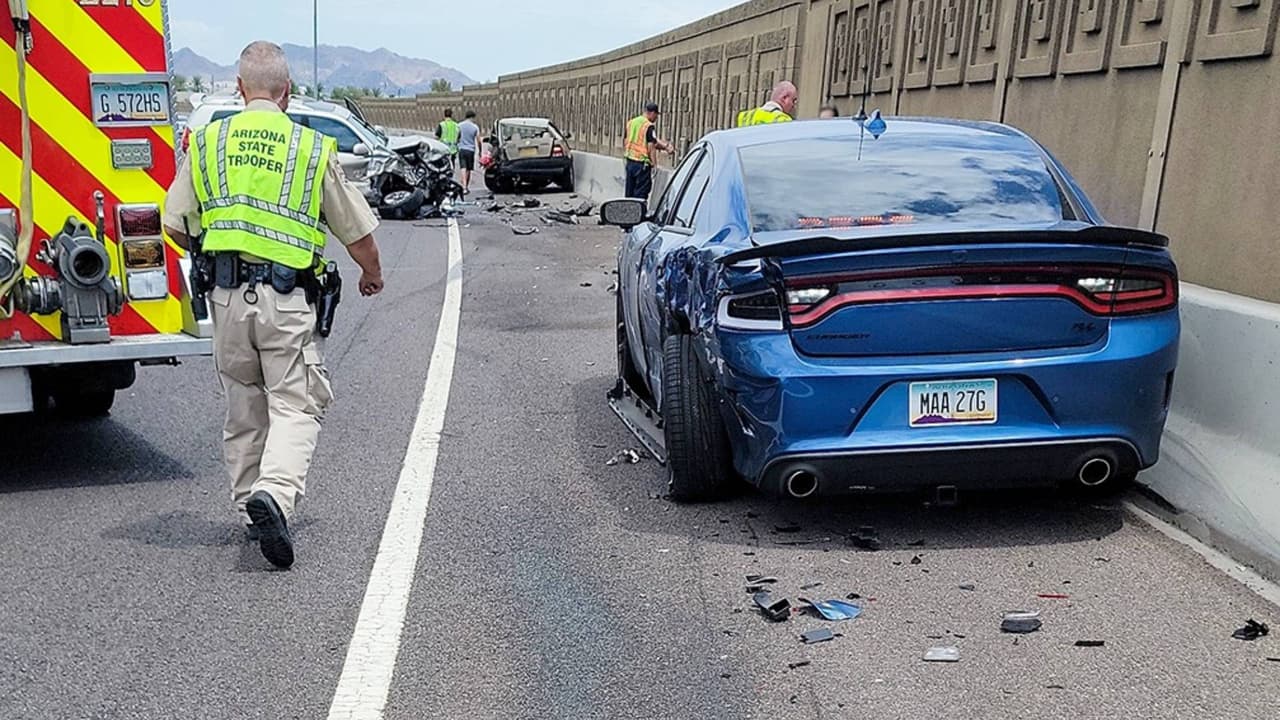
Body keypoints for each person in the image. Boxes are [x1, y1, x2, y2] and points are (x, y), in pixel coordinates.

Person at [163, 40, 385, 569]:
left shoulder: (209, 142)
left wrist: (216, 255)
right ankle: (276, 495)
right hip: (285, 300)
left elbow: (174, 221)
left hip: (225, 298)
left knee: (243, 402)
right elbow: (355, 230)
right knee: (297, 400)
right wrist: (372, 275)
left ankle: (249, 506)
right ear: (287, 92)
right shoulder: (309, 149)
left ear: (240, 90)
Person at [623, 102, 674, 202]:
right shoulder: (648, 126)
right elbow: (651, 146)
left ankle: (628, 215)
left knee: (629, 194)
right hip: (642, 165)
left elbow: (626, 140)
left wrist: (665, 146)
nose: (656, 119)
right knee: (640, 196)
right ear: (652, 113)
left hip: (630, 162)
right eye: (656, 115)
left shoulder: (631, 122)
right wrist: (654, 165)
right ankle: (639, 216)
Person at [456, 110, 481, 194]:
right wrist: (480, 151)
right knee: (469, 169)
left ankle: (464, 186)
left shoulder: (459, 125)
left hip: (461, 149)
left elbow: (457, 137)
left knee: (463, 167)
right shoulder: (475, 127)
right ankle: (465, 186)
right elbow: (478, 140)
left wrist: (457, 144)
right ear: (472, 117)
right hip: (470, 150)